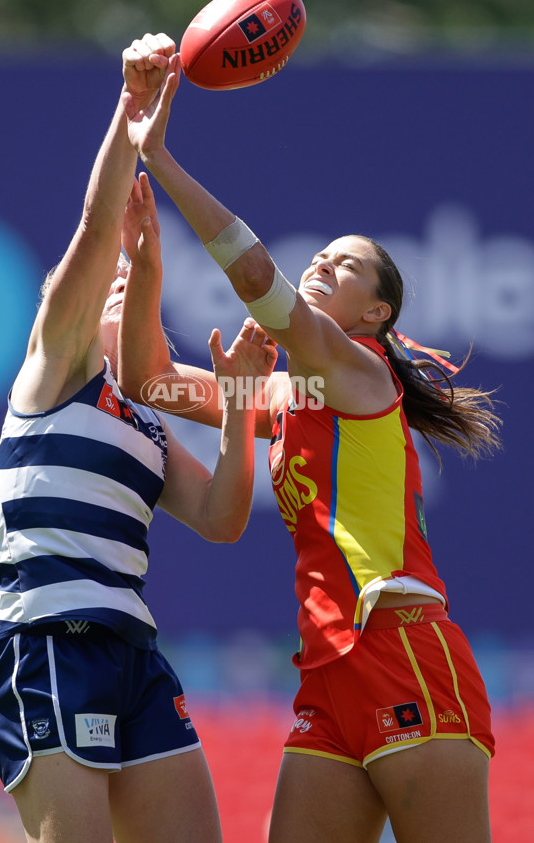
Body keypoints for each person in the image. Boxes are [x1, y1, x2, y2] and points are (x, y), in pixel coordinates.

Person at [117, 49, 503, 843]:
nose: (325, 261)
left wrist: (160, 157)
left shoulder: (355, 372)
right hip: (328, 674)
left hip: (403, 647)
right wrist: (146, 265)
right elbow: (148, 382)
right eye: (322, 254)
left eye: (349, 264)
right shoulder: (299, 395)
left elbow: (256, 274)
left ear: (375, 317)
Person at [0, 34, 278, 843]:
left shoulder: (144, 418)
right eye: (100, 278)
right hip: (49, 646)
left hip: (132, 655)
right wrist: (132, 107)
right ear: (65, 307)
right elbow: (95, 221)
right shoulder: (55, 365)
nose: (115, 276)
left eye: (125, 279)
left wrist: (244, 407)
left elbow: (222, 517)